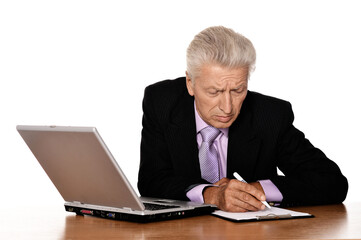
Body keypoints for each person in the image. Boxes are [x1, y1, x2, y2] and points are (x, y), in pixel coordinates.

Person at [138, 26, 348, 212]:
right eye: (214, 92)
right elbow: (151, 181)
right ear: (190, 84)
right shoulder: (161, 103)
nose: (227, 107)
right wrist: (211, 194)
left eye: (238, 90)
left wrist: (256, 190)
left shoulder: (270, 115)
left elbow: (332, 182)